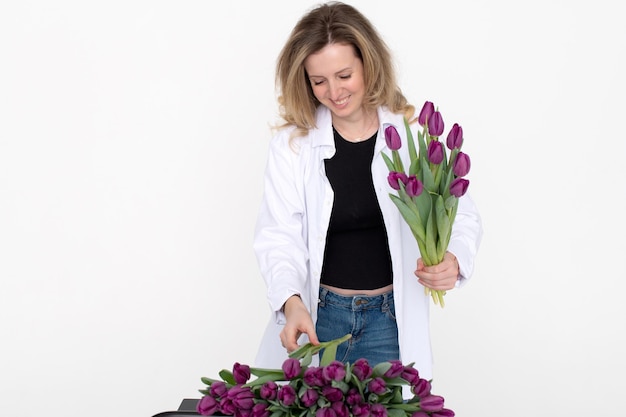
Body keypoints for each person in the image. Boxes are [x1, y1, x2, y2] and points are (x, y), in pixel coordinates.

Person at [253, 1, 482, 379]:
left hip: (388, 323)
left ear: (368, 64)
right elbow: (279, 236)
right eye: (319, 81)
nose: (334, 92)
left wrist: (454, 259)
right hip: (319, 320)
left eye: (344, 75)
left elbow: (461, 213)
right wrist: (291, 303)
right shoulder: (293, 146)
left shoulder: (410, 136)